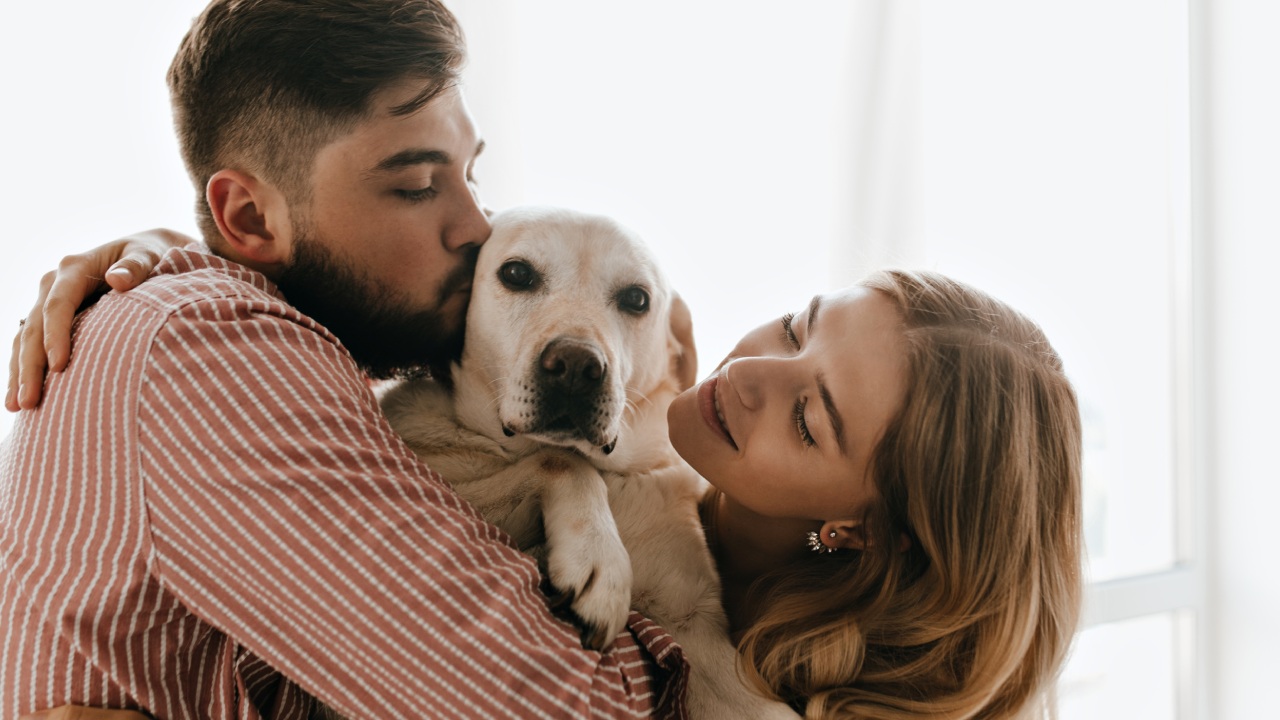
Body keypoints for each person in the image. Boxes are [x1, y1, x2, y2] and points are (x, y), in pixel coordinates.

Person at [12, 237, 1084, 717]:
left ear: (863, 531)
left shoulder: (699, 690)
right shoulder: (634, 442)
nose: (752, 371)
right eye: (799, 323)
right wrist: (175, 267)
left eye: (809, 415)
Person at [0, 1, 687, 719]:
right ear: (249, 218)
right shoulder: (218, 358)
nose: (476, 226)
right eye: (418, 186)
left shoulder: (228, 328)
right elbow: (573, 707)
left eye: (469, 174)